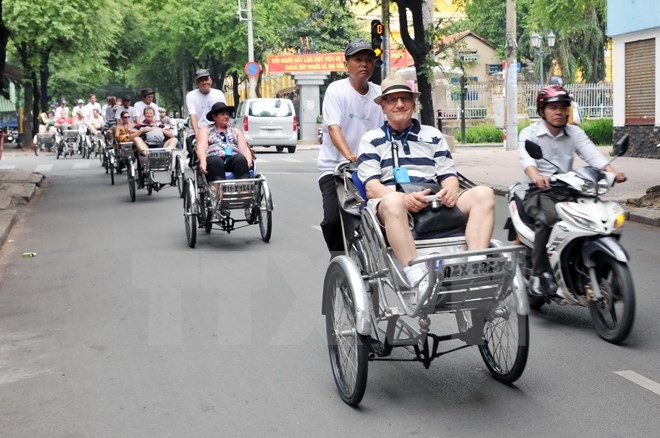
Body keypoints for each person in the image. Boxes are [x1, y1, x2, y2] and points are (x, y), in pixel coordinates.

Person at [357, 77, 496, 303]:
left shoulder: (432, 135)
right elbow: (372, 188)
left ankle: (475, 267)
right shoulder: (371, 140)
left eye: (405, 99)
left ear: (413, 103)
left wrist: (450, 190)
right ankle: (416, 277)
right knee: (393, 202)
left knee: (484, 193)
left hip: (434, 201)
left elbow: (448, 175)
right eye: (392, 100)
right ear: (383, 106)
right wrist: (404, 198)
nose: (399, 104)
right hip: (391, 204)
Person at [518, 85, 626, 297]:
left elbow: (592, 155)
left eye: (563, 107)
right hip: (541, 191)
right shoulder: (529, 133)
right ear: (542, 111)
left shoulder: (574, 132)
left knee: (604, 218)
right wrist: (536, 176)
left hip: (571, 188)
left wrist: (612, 172)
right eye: (553, 108)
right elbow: (527, 161)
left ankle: (600, 266)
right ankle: (539, 274)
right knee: (548, 218)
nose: (559, 112)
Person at [317, 40, 385, 256]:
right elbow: (334, 127)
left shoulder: (379, 93)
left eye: (368, 60)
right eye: (358, 59)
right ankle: (339, 261)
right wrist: (349, 156)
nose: (364, 64)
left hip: (372, 169)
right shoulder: (336, 90)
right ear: (346, 63)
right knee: (332, 220)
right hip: (336, 168)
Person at [195, 102, 252, 181]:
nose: (226, 117)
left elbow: (244, 149)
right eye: (223, 114)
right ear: (214, 117)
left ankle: (244, 186)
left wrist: (248, 161)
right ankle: (218, 188)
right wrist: (202, 161)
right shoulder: (206, 130)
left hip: (233, 158)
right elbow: (201, 147)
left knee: (240, 158)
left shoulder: (236, 131)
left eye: (227, 114)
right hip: (214, 158)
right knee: (216, 161)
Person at [185, 68, 226, 158]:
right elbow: (193, 115)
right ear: (197, 83)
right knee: (194, 151)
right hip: (199, 130)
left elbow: (224, 114)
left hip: (216, 130)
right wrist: (197, 134)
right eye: (201, 80)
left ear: (210, 80)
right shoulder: (191, 95)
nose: (204, 82)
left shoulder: (218, 94)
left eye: (206, 79)